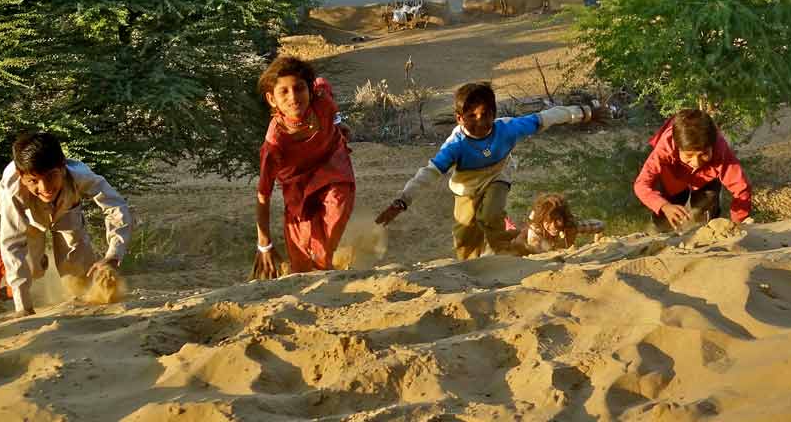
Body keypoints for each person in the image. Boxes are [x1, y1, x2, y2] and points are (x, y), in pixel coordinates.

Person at [376, 82, 597, 259]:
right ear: (459, 118)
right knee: (465, 236)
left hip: (497, 176)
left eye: (485, 115)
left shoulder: (508, 128)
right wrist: (402, 201)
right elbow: (428, 173)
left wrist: (584, 112)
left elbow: (546, 118)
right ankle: (477, 264)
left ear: (494, 113)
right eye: (472, 117)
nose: (480, 122)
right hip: (466, 187)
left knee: (491, 215)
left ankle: (508, 255)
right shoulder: (455, 146)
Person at [0, 132, 133, 316]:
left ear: (62, 167)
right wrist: (23, 307)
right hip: (29, 218)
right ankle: (39, 260)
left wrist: (114, 254)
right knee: (31, 269)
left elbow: (115, 206)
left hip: (66, 209)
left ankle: (86, 300)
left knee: (75, 266)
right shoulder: (12, 192)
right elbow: (12, 244)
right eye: (34, 181)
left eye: (51, 176)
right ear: (21, 176)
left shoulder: (79, 174)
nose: (45, 188)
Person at [253, 56, 355, 278]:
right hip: (297, 186)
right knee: (302, 255)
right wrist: (264, 245)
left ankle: (324, 268)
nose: (293, 97)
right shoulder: (274, 143)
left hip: (332, 165)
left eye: (299, 88)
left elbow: (322, 84)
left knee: (336, 204)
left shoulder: (323, 101)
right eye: (284, 92)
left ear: (309, 90)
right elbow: (263, 195)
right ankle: (310, 278)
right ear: (272, 99)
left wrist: (337, 123)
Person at [634, 108, 752, 232]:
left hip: (706, 180)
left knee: (706, 204)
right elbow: (641, 185)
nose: (696, 162)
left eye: (704, 154)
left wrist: (738, 223)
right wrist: (664, 206)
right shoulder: (666, 146)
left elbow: (741, 188)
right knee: (663, 221)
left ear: (712, 146)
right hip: (673, 179)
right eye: (689, 155)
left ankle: (706, 233)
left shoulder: (720, 149)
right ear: (677, 148)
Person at [509, 193, 604, 255]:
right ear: (542, 221)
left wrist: (598, 239)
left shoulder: (570, 224)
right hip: (529, 239)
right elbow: (536, 250)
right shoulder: (535, 227)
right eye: (548, 221)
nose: (553, 226)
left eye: (557, 220)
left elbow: (600, 225)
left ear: (563, 218)